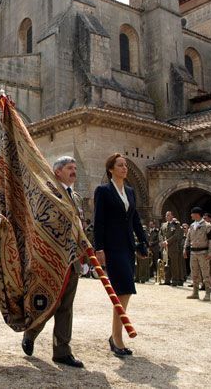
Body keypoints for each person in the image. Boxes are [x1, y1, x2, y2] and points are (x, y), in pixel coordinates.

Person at [21, 156, 84, 368]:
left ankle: (62, 351)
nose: (73, 171)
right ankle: (31, 333)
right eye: (69, 168)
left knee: (66, 306)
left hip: (72, 260)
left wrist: (84, 255)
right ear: (58, 172)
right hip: (51, 259)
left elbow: (80, 230)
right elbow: (39, 221)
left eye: (75, 168)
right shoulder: (48, 194)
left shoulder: (76, 197)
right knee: (49, 302)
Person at [93, 153, 148, 357]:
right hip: (112, 247)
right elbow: (99, 221)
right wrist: (99, 249)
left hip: (127, 246)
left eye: (125, 165)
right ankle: (117, 338)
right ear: (111, 169)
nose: (125, 168)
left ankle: (115, 335)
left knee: (124, 291)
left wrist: (143, 241)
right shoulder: (103, 191)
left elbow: (135, 219)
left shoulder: (131, 192)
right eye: (120, 165)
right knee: (122, 290)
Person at [183, 207, 211, 301]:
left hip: (203, 252)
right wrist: (185, 249)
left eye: (192, 213)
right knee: (194, 273)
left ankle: (208, 293)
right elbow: (188, 239)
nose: (191, 215)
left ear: (197, 214)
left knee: (205, 273)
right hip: (193, 252)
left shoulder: (207, 226)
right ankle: (195, 292)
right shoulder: (192, 226)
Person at [159, 211, 183, 286]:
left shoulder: (176, 224)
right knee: (166, 264)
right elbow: (160, 234)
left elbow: (176, 235)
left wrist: (167, 241)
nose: (167, 216)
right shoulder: (163, 225)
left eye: (168, 215)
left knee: (174, 265)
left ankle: (175, 280)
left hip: (173, 247)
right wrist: (162, 241)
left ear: (172, 216)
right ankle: (167, 280)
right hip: (165, 248)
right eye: (166, 215)